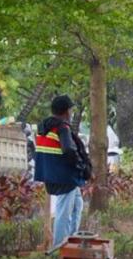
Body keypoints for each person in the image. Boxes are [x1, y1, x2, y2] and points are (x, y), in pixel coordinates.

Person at [34, 95, 92, 250]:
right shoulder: (62, 128)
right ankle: (59, 248)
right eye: (71, 109)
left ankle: (72, 240)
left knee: (77, 205)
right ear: (66, 111)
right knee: (63, 213)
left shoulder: (43, 128)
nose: (72, 112)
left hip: (50, 174)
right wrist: (82, 168)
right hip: (65, 176)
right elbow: (68, 150)